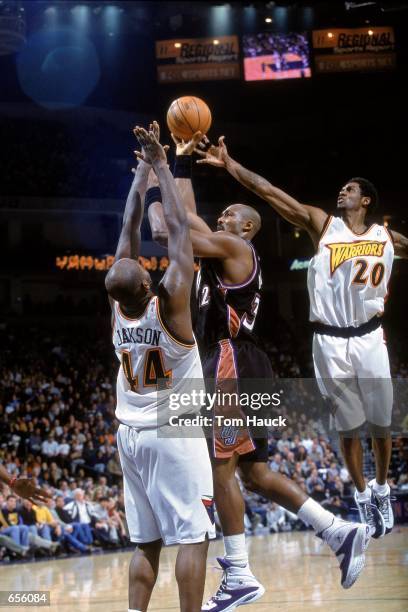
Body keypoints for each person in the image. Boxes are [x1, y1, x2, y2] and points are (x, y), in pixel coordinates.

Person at [146, 135, 373, 611]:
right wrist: (179, 163)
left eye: (228, 214)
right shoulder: (226, 248)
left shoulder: (232, 246)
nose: (221, 218)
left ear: (245, 228)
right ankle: (338, 530)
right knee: (256, 472)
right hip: (247, 363)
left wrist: (157, 180)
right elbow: (184, 218)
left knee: (221, 466)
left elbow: (170, 230)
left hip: (230, 361)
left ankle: (241, 574)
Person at [196, 135, 408, 542]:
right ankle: (362, 494)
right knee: (348, 426)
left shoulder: (386, 237)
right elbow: (270, 192)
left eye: (351, 189)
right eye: (342, 187)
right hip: (329, 339)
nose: (342, 191)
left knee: (381, 423)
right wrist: (230, 164)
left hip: (369, 335)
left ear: (366, 201)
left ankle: (381, 488)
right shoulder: (322, 224)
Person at [105, 122, 214, 612]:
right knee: (193, 537)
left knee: (145, 543)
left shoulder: (118, 311)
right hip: (173, 432)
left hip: (129, 434)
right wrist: (162, 167)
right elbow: (178, 233)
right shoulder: (169, 305)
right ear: (146, 283)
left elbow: (128, 232)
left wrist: (140, 175)